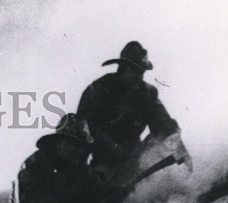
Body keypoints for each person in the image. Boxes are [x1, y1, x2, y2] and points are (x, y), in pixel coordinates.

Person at [76, 41, 184, 182]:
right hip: (105, 163)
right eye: (134, 71)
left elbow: (163, 123)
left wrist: (176, 145)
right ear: (123, 68)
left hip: (136, 158)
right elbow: (83, 125)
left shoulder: (147, 93)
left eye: (141, 72)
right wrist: (112, 148)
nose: (138, 77)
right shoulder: (99, 90)